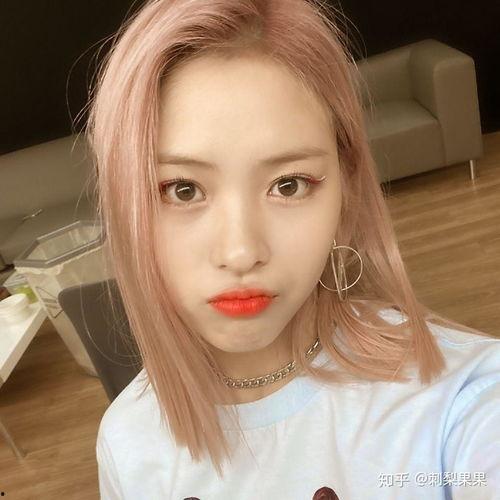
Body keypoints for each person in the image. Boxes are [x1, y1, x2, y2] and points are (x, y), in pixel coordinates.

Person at [86, 0, 500, 498]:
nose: (242, 252)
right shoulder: (127, 442)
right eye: (182, 190)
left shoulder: (461, 400)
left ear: (346, 192)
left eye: (288, 185)